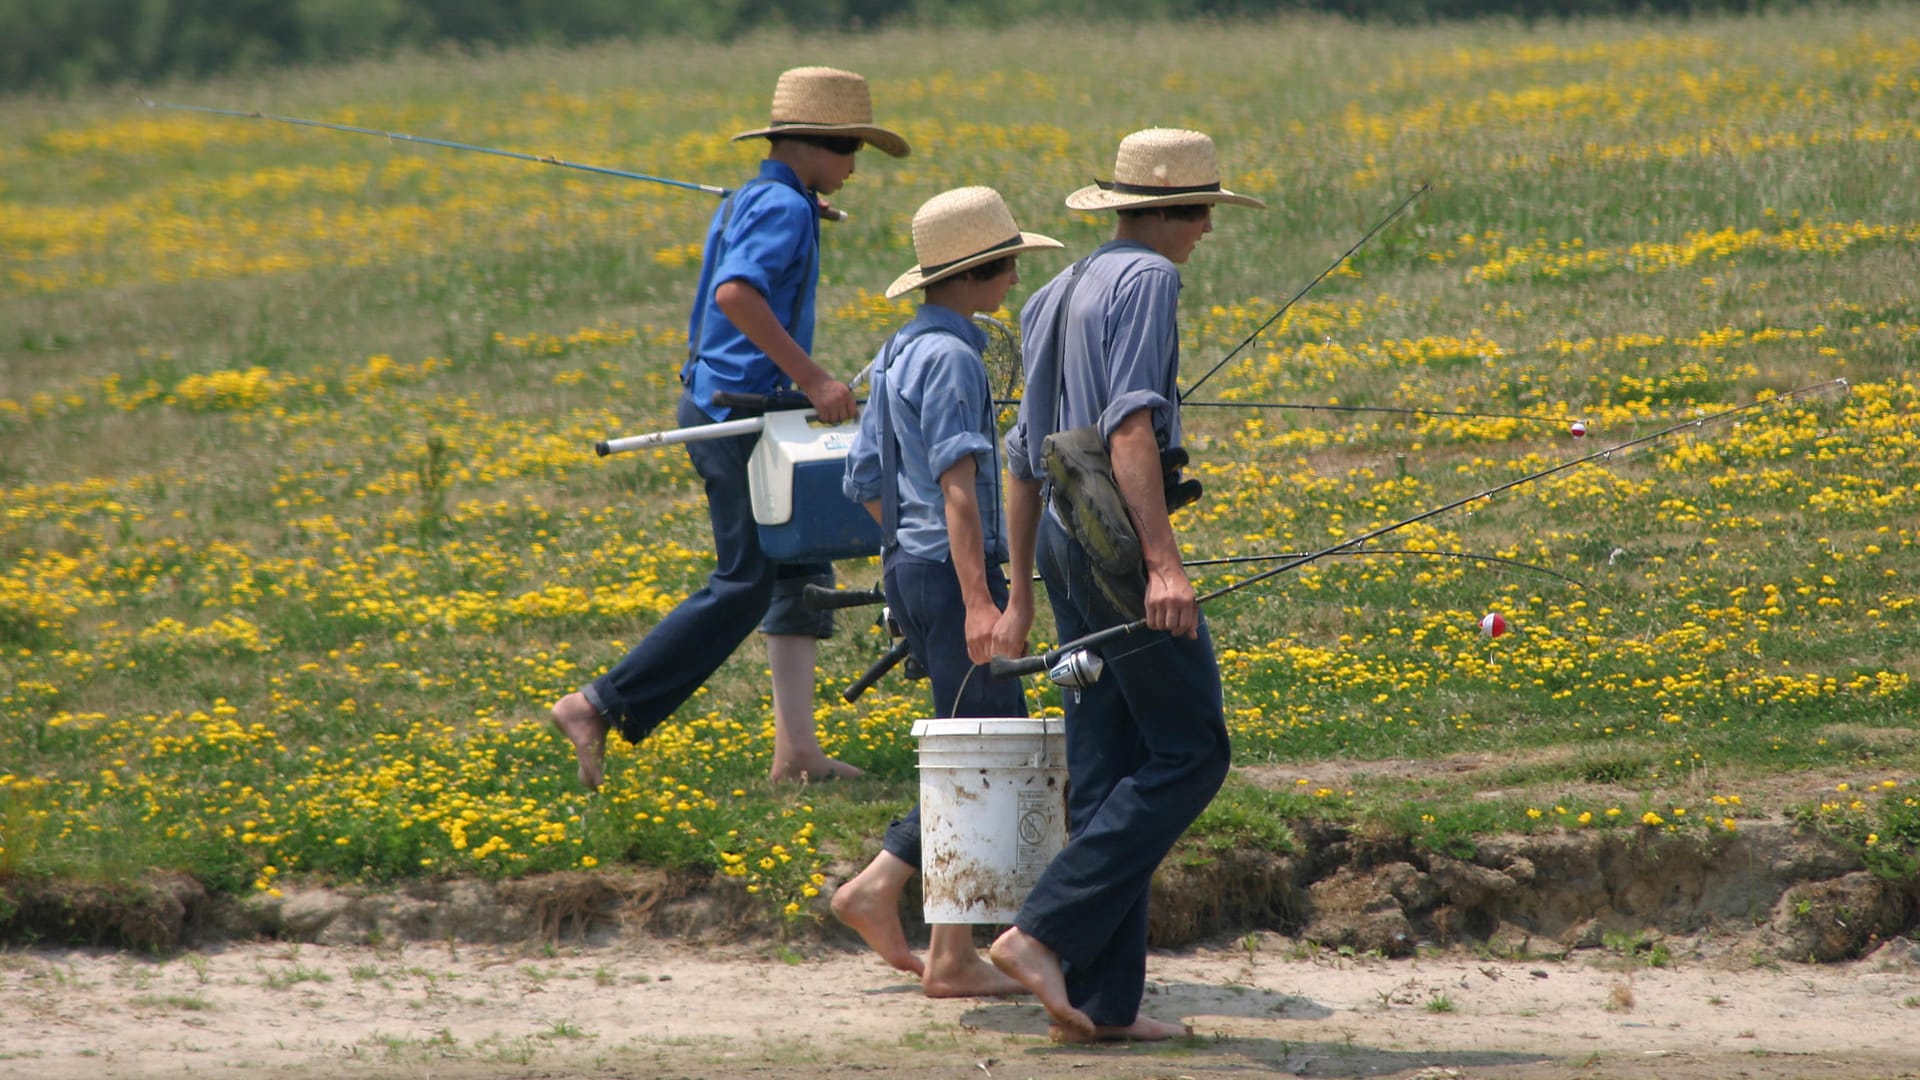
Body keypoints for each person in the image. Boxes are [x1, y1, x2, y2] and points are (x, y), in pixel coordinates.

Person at [550, 66, 910, 789]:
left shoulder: (771, 197)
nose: (852, 168)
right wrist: (813, 379)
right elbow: (737, 294)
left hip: (741, 406)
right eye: (851, 152)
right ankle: (597, 704)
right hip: (736, 415)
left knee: (800, 568)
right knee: (745, 580)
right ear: (815, 144)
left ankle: (797, 753)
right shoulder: (779, 208)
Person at [988, 129, 1264, 1041]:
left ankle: (1100, 1005)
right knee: (1191, 750)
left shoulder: (1056, 291)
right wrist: (1162, 562)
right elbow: (1132, 427)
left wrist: (1021, 591)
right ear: (1170, 213)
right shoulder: (1148, 280)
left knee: (1107, 763)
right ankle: (1042, 929)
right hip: (1115, 553)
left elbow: (1023, 458)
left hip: (1064, 546)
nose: (1206, 233)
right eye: (1201, 214)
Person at [831, 187, 1063, 997]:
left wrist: (910, 548)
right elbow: (960, 485)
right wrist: (976, 596)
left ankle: (950, 947)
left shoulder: (895, 351)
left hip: (911, 566)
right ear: (985, 273)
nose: (1010, 287)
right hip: (950, 573)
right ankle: (888, 898)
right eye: (1007, 270)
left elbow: (864, 478)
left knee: (977, 744)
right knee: (990, 749)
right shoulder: (957, 356)